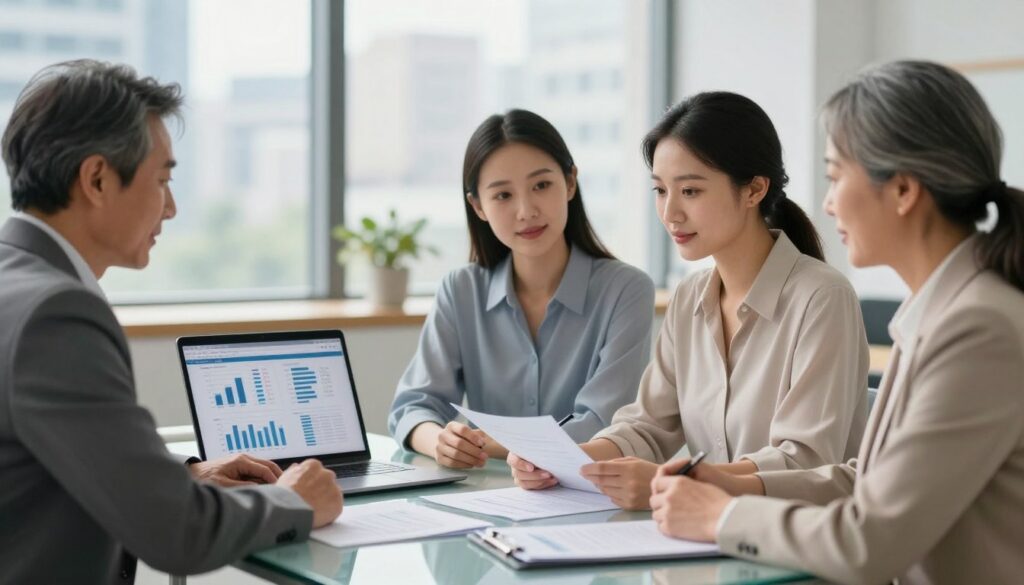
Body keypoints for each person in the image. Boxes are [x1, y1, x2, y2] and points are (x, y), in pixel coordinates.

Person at [649, 60, 1024, 585]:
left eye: (834, 176)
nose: (825, 203)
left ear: (902, 190)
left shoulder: (978, 329)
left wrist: (719, 516)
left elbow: (867, 542)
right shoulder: (944, 312)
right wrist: (730, 484)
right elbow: (865, 482)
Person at [0, 60, 343, 584]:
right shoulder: (56, 315)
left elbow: (37, 456)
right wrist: (290, 501)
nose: (172, 207)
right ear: (96, 179)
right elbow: (178, 533)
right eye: (162, 179)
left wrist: (182, 474)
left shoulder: (15, 280)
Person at [510, 92, 869, 510]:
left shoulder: (822, 298)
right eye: (661, 191)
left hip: (798, 541)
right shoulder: (689, 298)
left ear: (754, 189)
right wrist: (568, 461)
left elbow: (806, 460)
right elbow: (647, 426)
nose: (671, 213)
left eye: (691, 191)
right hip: (708, 534)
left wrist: (681, 480)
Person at [388, 109, 655, 468]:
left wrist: (478, 442)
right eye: (502, 196)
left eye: (541, 185)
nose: (526, 210)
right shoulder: (460, 290)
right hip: (484, 500)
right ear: (478, 206)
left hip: (588, 499)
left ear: (570, 183)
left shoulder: (627, 290)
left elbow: (602, 424)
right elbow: (413, 406)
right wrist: (440, 441)